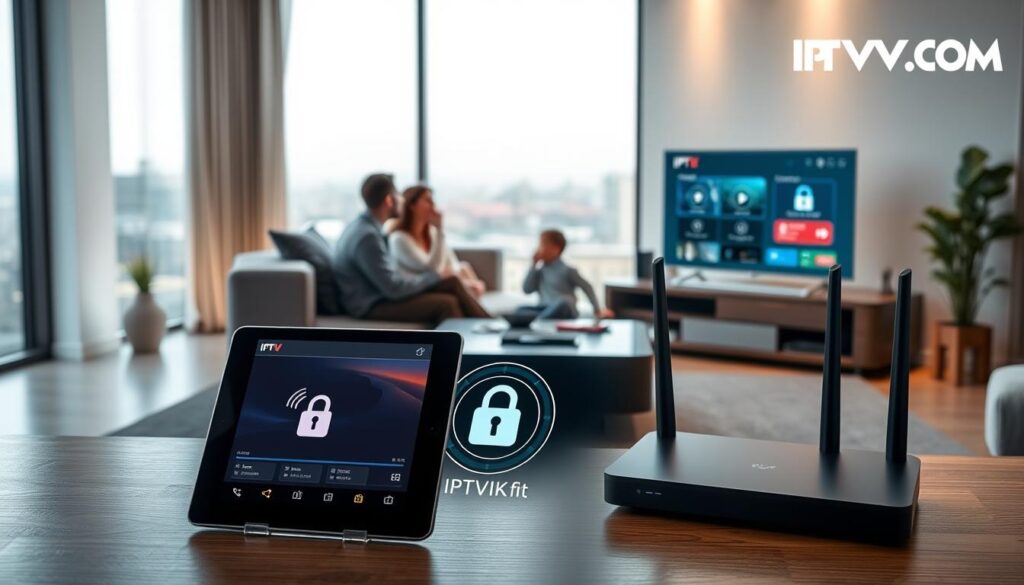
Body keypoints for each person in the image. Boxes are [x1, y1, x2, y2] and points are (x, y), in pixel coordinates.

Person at [331, 173, 490, 324]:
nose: (402, 201)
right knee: (447, 304)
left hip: (378, 296)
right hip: (370, 305)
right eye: (399, 196)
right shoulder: (367, 237)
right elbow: (393, 289)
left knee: (452, 282)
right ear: (389, 200)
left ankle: (490, 328)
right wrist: (435, 277)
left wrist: (437, 277)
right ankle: (487, 331)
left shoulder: (365, 228)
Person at [388, 185, 486, 298]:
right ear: (412, 206)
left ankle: (477, 310)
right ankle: (478, 310)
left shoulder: (432, 233)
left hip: (438, 281)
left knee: (464, 267)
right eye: (427, 200)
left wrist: (468, 283)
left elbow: (450, 262)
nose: (433, 205)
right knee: (458, 282)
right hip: (419, 288)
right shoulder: (399, 239)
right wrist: (440, 230)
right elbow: (433, 269)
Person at [519, 229, 615, 320]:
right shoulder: (539, 271)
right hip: (544, 308)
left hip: (564, 309)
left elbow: (587, 287)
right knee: (521, 310)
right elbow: (527, 290)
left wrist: (597, 310)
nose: (539, 249)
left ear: (556, 249)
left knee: (564, 302)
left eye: (543, 245)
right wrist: (533, 266)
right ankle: (541, 318)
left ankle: (538, 320)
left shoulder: (568, 270)